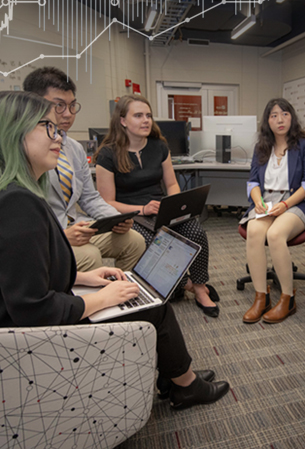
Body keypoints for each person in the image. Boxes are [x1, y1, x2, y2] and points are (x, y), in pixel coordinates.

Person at [0, 90, 230, 411]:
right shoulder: (18, 203)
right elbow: (33, 310)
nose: (59, 136)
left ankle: (176, 374)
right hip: (36, 341)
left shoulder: (18, 195)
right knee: (152, 307)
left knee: (150, 288)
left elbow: (21, 275)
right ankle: (184, 383)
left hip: (38, 319)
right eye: (48, 127)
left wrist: (83, 277)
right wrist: (103, 298)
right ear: (15, 133)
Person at [94, 94, 220, 317]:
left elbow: (172, 184)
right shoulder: (108, 154)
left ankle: (200, 288)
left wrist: (175, 205)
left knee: (196, 232)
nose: (146, 120)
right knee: (155, 243)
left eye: (149, 116)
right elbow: (107, 202)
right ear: (122, 121)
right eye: (139, 115)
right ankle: (185, 284)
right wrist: (141, 210)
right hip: (131, 214)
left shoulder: (159, 146)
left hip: (161, 209)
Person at [22, 67, 146, 272]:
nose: (68, 114)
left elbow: (89, 197)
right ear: (33, 104)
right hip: (48, 234)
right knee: (90, 256)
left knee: (134, 241)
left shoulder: (74, 148)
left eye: (72, 106)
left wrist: (115, 218)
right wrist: (60, 235)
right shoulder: (25, 150)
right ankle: (87, 303)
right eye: (59, 106)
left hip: (77, 226)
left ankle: (128, 296)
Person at [240, 98, 305, 324]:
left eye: (284, 113)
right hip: (267, 201)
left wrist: (285, 205)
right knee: (254, 230)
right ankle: (261, 297)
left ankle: (287, 298)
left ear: (291, 117)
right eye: (273, 115)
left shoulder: (304, 144)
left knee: (274, 235)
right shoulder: (261, 147)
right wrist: (258, 201)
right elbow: (252, 182)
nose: (279, 119)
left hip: (295, 202)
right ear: (267, 121)